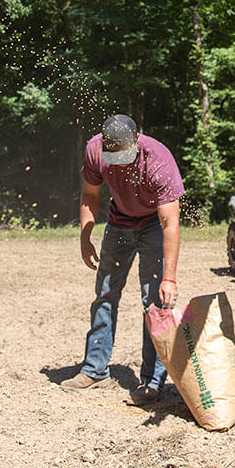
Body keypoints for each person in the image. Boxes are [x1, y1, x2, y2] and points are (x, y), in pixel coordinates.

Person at [60, 114, 184, 405]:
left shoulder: (158, 159)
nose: (120, 162)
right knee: (104, 294)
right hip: (117, 224)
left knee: (153, 302)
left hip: (153, 225)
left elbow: (170, 224)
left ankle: (152, 381)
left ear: (137, 140)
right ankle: (94, 369)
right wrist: (84, 237)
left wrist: (169, 277)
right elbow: (90, 194)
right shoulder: (95, 150)